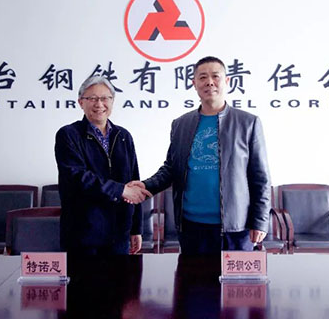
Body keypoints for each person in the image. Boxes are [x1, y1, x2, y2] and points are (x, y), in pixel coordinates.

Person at [128, 56, 271, 254]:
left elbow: (260, 178)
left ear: (227, 81)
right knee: (192, 275)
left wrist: (260, 221)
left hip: (236, 228)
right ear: (194, 83)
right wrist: (146, 186)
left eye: (215, 76)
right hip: (191, 226)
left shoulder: (248, 123)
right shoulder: (181, 124)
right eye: (202, 77)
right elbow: (171, 168)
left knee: (234, 276)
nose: (209, 82)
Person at [55, 76, 151, 257]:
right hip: (83, 234)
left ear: (112, 101)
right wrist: (121, 190)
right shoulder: (68, 135)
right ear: (81, 102)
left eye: (105, 98)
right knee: (82, 277)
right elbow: (77, 178)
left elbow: (134, 182)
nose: (99, 104)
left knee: (121, 277)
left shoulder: (123, 136)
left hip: (119, 233)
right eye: (92, 98)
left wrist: (136, 228)